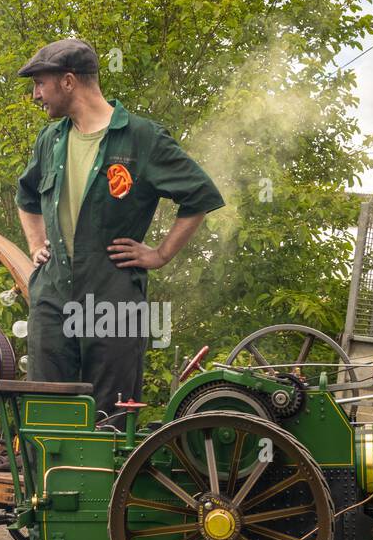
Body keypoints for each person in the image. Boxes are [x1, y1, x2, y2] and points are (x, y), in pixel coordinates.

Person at [14, 38, 224, 420]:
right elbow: (26, 196)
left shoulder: (141, 138)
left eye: (39, 83)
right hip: (52, 295)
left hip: (113, 295)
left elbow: (200, 195)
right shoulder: (51, 139)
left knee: (112, 413)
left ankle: (108, 482)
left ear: (68, 81)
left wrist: (160, 254)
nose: (35, 95)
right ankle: (45, 481)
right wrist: (36, 244)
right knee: (45, 410)